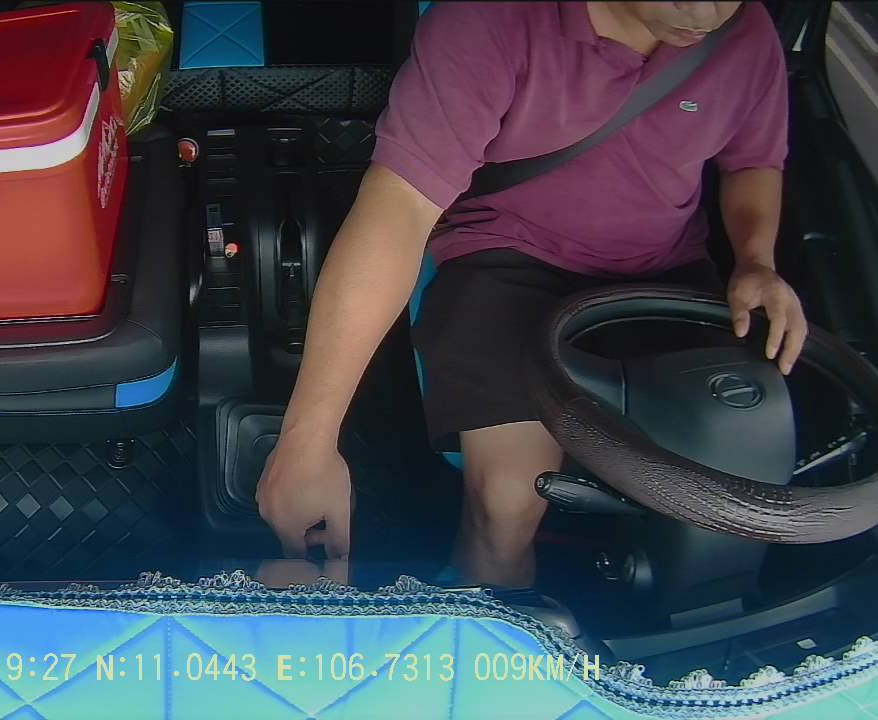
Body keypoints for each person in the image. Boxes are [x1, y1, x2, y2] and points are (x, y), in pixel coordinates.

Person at [255, 1, 808, 587]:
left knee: (727, 499)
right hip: (506, 261)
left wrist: (756, 261)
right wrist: (309, 442)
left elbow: (752, 162)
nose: (704, 11)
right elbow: (400, 207)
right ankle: (493, 623)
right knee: (507, 502)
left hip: (665, 274)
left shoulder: (745, 34)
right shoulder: (488, 21)